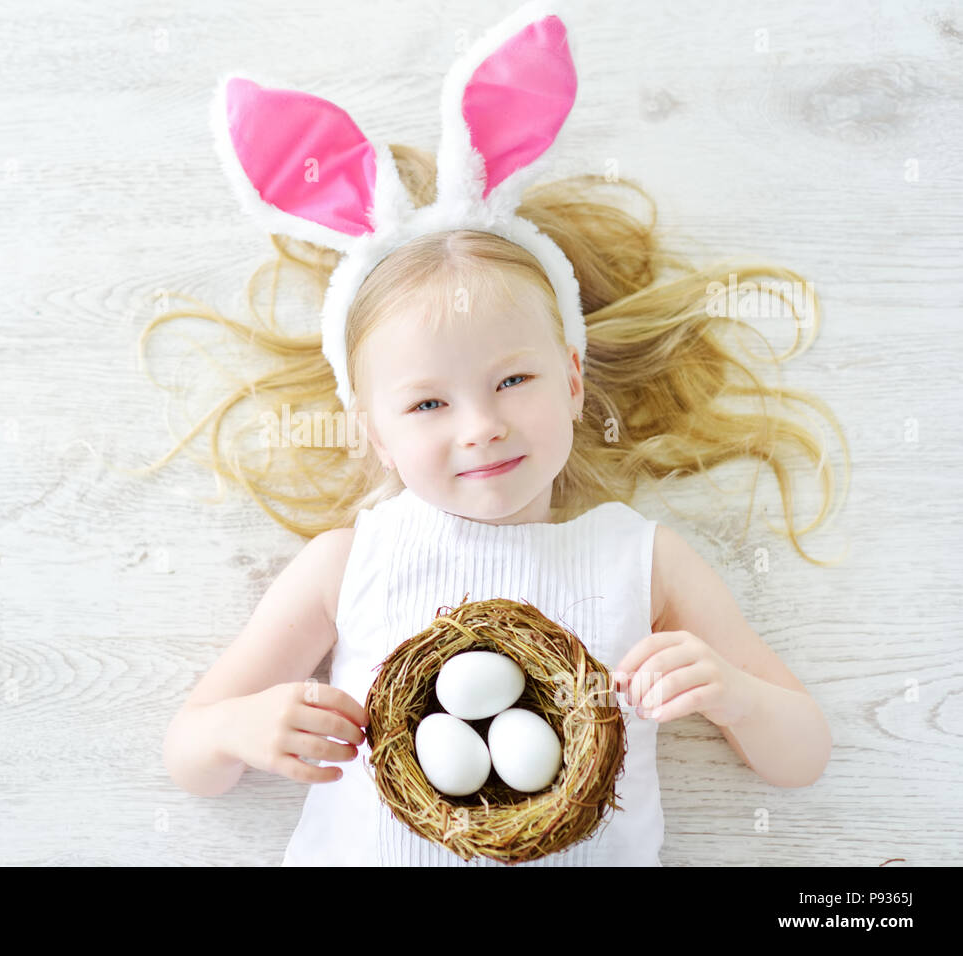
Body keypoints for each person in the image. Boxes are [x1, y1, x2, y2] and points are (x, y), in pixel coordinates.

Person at [152, 2, 844, 865]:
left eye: (513, 381)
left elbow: (802, 756)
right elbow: (192, 758)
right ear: (373, 433)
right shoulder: (349, 561)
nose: (480, 427)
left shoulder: (640, 558)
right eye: (428, 405)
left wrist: (734, 695)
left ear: (574, 378)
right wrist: (240, 730)